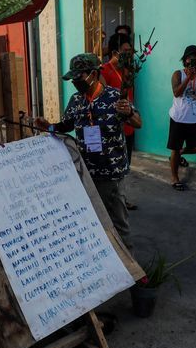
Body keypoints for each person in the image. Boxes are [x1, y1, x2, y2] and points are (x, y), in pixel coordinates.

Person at [35, 53, 142, 249]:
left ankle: (131, 272)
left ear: (93, 74)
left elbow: (138, 122)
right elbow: (65, 126)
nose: (75, 82)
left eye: (79, 77)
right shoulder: (76, 100)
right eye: (73, 78)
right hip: (84, 172)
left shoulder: (114, 97)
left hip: (111, 173)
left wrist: (128, 112)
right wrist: (48, 126)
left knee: (118, 224)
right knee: (93, 222)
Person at [168, 45, 196, 190]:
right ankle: (175, 178)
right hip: (178, 118)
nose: (193, 61)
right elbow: (176, 93)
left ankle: (180, 153)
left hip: (195, 119)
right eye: (190, 58)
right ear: (185, 60)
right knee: (175, 147)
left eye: (195, 58)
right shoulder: (178, 74)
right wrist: (188, 77)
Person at [101, 32, 138, 210]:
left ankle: (122, 197)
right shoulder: (104, 71)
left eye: (131, 51)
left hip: (128, 125)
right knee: (113, 166)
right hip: (112, 128)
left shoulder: (127, 70)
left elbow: (130, 95)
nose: (130, 54)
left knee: (125, 165)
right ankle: (112, 200)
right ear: (115, 52)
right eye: (126, 51)